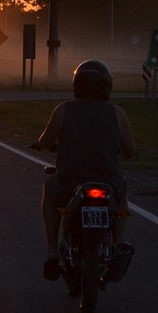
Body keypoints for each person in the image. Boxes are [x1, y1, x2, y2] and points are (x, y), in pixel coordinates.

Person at [32, 59, 138, 281]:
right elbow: (129, 149)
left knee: (49, 196)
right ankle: (118, 245)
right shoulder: (117, 113)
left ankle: (52, 252)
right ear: (107, 86)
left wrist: (40, 143)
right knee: (121, 201)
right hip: (108, 181)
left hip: (70, 181)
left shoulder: (63, 110)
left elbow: (46, 139)